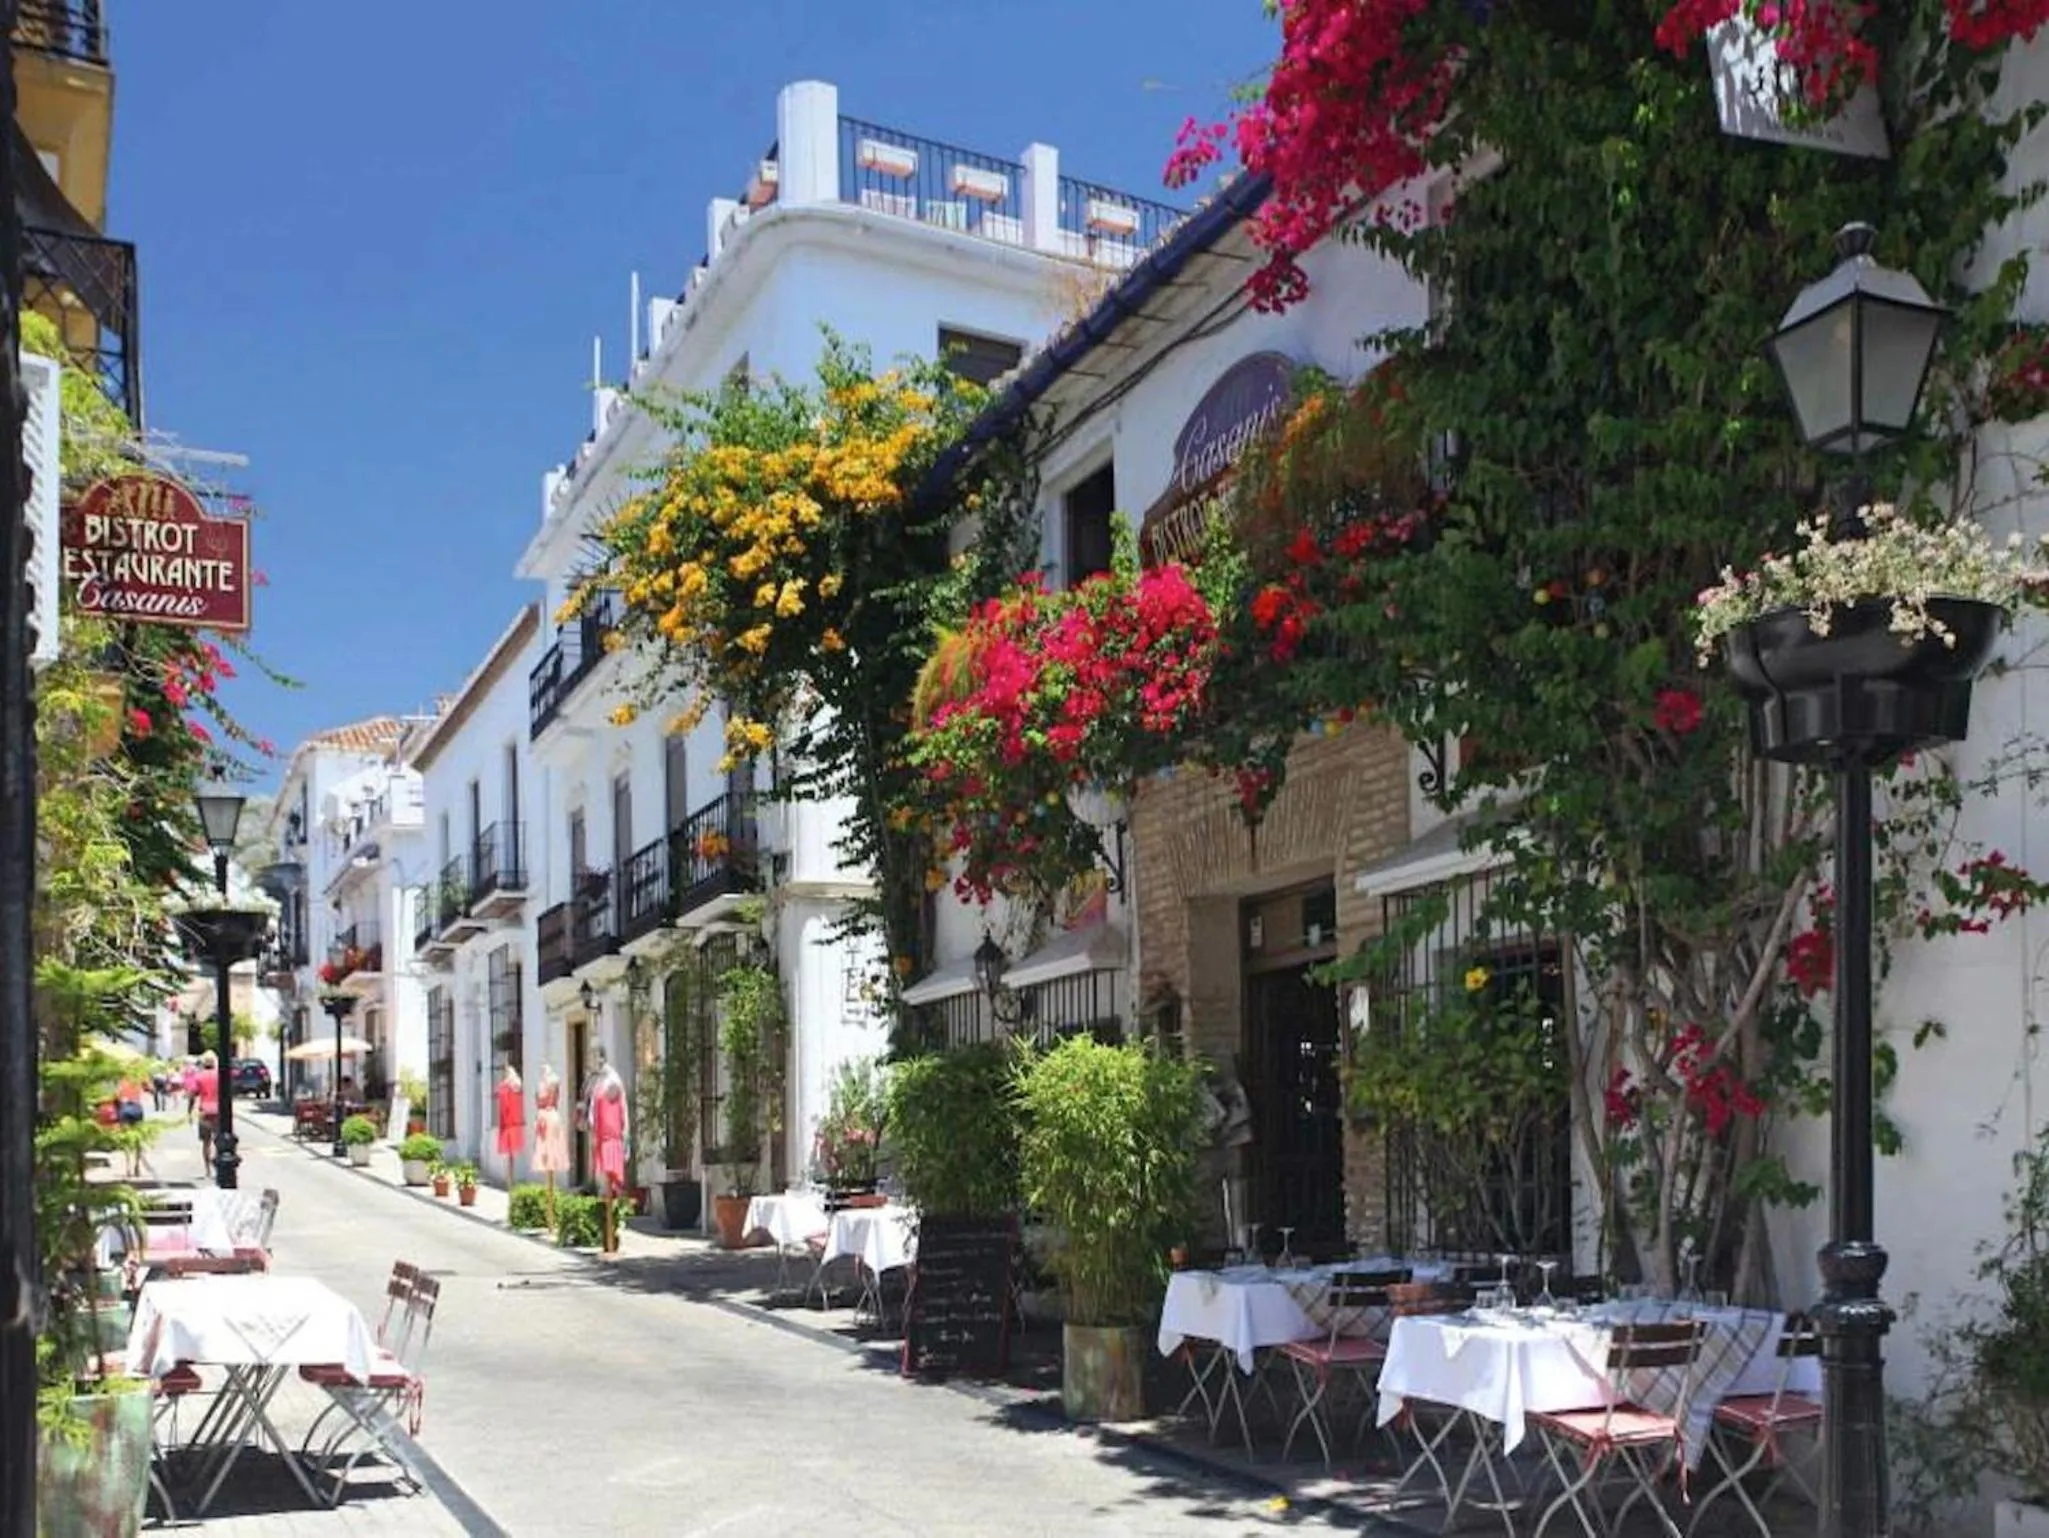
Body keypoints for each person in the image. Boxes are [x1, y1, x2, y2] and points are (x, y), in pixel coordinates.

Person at [194, 1052, 221, 1174]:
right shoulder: (219, 1076)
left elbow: (193, 1093)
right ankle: (219, 1166)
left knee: (206, 1142)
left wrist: (189, 1110)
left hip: (204, 1110)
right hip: (218, 1111)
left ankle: (207, 1169)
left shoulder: (199, 1076)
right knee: (219, 1141)